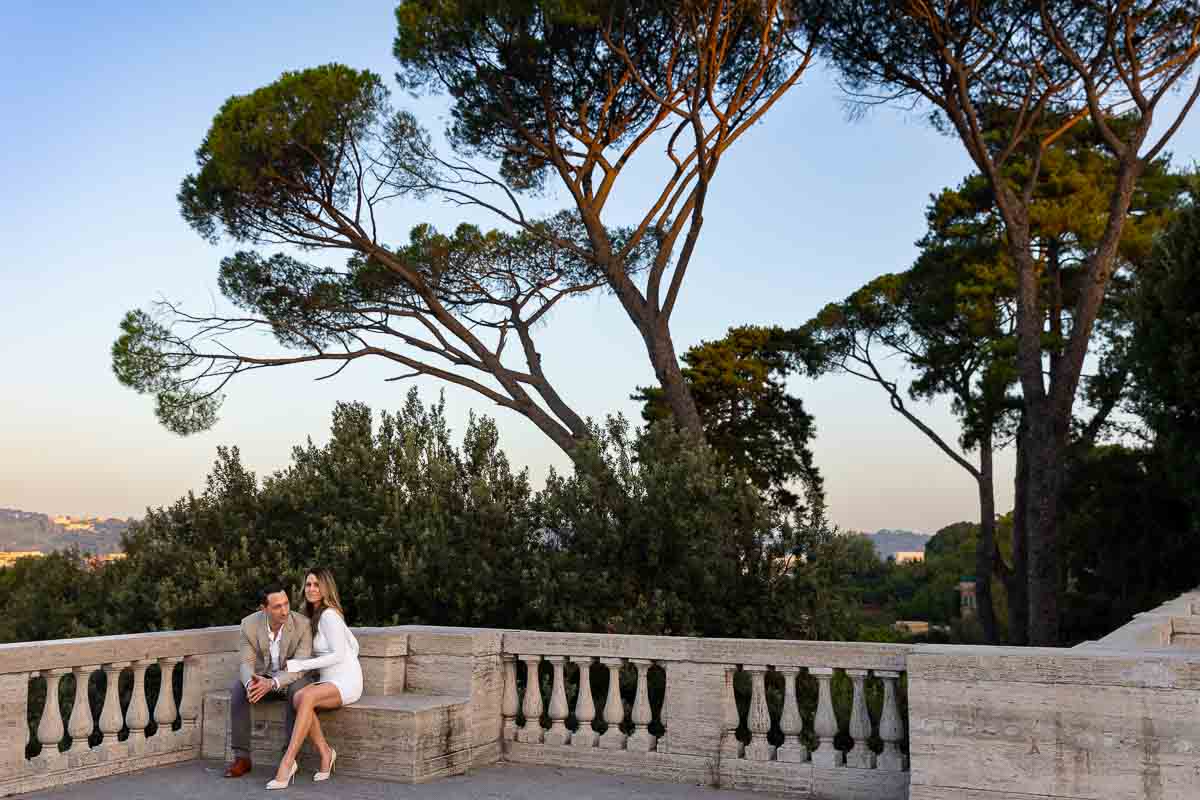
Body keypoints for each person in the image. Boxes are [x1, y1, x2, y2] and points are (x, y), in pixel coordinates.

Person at [267, 568, 361, 789]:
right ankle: (326, 753)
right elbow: (354, 644)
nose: (311, 589)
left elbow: (339, 654)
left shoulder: (329, 615)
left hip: (346, 681)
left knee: (305, 697)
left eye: (316, 585)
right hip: (329, 680)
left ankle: (288, 762)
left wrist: (302, 665)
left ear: (326, 588)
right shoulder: (310, 615)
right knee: (299, 698)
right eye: (308, 584)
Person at [224, 583, 314, 779]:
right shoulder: (248, 625)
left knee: (298, 692)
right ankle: (242, 758)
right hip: (263, 677)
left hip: (292, 678)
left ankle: (288, 758)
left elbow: (299, 666)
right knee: (239, 688)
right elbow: (246, 663)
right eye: (277, 606)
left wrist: (272, 683)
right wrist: (252, 685)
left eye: (286, 604)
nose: (284, 611)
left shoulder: (302, 625)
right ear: (263, 609)